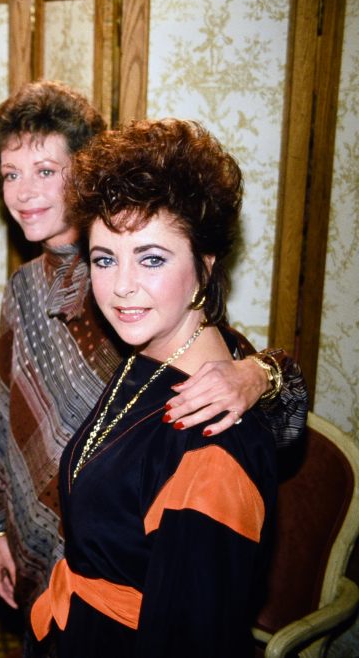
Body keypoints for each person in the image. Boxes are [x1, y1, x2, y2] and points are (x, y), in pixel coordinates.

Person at [0, 82, 306, 630]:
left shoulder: (125, 283)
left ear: (83, 173)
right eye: (11, 174)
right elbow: (3, 417)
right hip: (44, 551)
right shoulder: (26, 286)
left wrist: (261, 373)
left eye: (45, 171)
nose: (24, 192)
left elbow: (224, 369)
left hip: (124, 555)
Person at [29, 118, 276, 656]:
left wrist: (265, 374)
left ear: (205, 267)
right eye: (104, 258)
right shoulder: (151, 354)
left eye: (152, 258)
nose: (120, 287)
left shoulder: (210, 440)